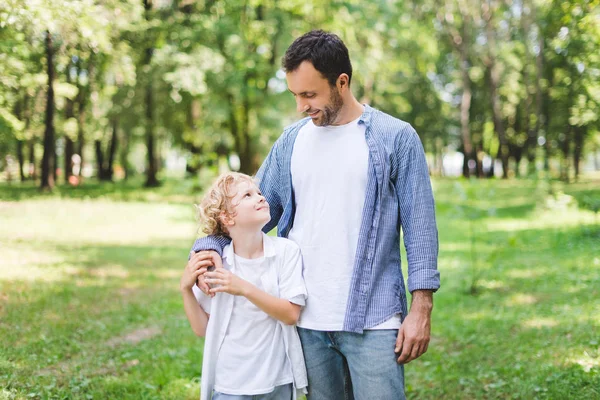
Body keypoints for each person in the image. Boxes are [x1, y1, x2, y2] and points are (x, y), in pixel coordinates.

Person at [191, 30, 440, 400]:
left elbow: (420, 229)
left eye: (309, 95)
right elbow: (248, 208)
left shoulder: (395, 137)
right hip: (305, 319)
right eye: (295, 95)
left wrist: (421, 308)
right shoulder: (292, 142)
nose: (301, 106)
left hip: (374, 319)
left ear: (342, 82)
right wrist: (208, 245)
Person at [180, 172, 308, 400]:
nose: (261, 198)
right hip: (231, 384)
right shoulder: (217, 262)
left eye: (259, 193)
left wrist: (243, 288)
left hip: (277, 381)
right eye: (247, 195)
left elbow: (290, 314)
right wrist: (185, 290)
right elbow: (202, 329)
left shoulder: (286, 252)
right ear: (227, 218)